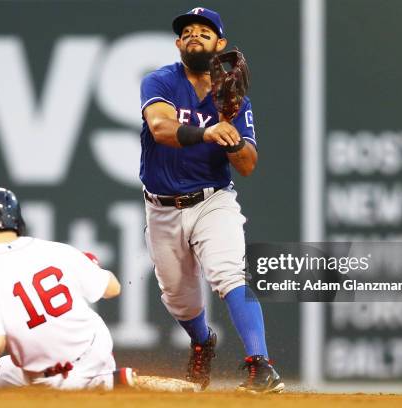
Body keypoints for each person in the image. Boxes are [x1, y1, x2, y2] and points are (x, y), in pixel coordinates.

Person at [139, 7, 284, 393]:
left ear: (220, 44)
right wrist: (207, 133)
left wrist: (232, 133)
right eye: (187, 31)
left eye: (204, 31)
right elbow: (159, 127)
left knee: (229, 273)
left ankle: (261, 366)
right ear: (177, 43)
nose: (194, 35)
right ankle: (203, 341)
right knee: (178, 299)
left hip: (211, 201)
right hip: (162, 206)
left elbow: (248, 164)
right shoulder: (162, 81)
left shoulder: (235, 102)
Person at [0, 187, 123, 390]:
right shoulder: (55, 249)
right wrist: (93, 267)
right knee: (2, 372)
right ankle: (103, 380)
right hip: (96, 355)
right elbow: (113, 289)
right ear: (18, 222)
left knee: (0, 373)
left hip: (49, 380)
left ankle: (92, 385)